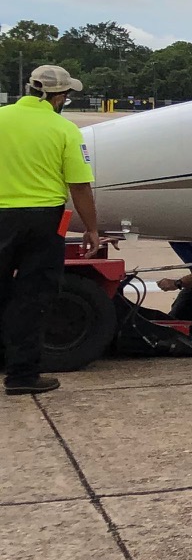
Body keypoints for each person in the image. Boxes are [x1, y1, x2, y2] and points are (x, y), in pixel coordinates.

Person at [0, 64, 102, 397]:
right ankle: (21, 375)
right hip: (43, 222)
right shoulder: (64, 130)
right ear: (57, 96)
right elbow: (79, 185)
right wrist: (91, 229)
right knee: (32, 298)